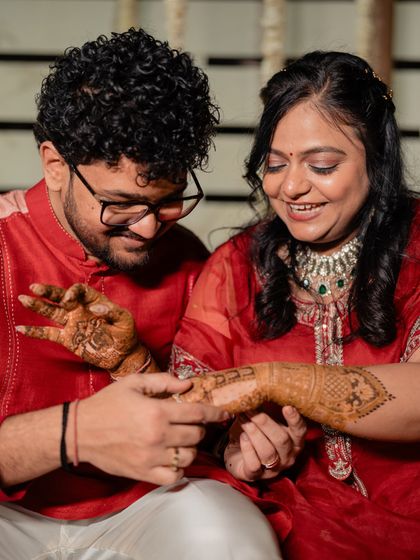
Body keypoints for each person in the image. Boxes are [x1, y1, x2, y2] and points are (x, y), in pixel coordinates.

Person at [17, 51, 420, 558]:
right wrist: (231, 443)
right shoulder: (235, 265)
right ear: (55, 165)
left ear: (376, 159)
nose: (291, 186)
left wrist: (264, 396)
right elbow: (198, 412)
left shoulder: (184, 258)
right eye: (274, 165)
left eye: (321, 165)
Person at [0, 28, 282, 560]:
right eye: (121, 203)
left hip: (148, 506)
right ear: (55, 165)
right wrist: (74, 432)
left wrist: (248, 441)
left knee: (234, 537)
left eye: (170, 201)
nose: (151, 230)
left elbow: (215, 426)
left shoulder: (193, 262)